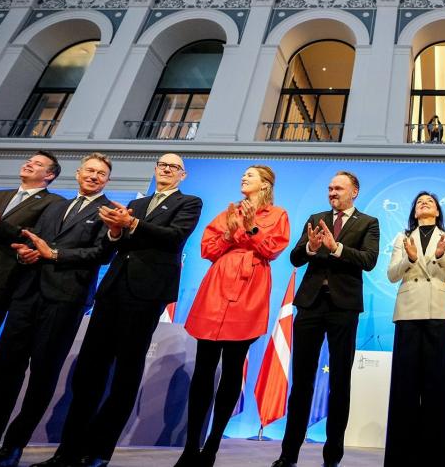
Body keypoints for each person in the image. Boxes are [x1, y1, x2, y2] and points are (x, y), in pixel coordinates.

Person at [33, 153, 202, 467]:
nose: (166, 170)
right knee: (88, 375)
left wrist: (132, 224)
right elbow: (109, 250)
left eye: (173, 167)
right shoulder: (134, 204)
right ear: (155, 170)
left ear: (183, 175)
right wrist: (114, 231)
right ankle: (67, 452)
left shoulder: (188, 203)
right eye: (162, 165)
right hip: (111, 292)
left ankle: (98, 452)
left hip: (146, 296)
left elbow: (174, 237)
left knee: (125, 375)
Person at [0, 153, 116, 467]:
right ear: (77, 174)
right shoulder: (55, 205)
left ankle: (13, 448)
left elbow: (101, 254)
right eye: (89, 170)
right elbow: (32, 242)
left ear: (107, 180)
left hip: (65, 300)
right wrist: (26, 254)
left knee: (41, 377)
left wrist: (54, 254)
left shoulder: (108, 211)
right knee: (2, 372)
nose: (94, 176)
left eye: (101, 173)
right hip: (26, 295)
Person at [176, 165, 290, 467]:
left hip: (249, 289)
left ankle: (212, 446)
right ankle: (190, 447)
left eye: (250, 175)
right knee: (203, 369)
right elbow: (207, 248)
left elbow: (272, 250)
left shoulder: (278, 215)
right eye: (243, 174)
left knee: (232, 369)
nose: (244, 178)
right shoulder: (229, 210)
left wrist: (251, 228)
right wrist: (229, 233)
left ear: (265, 184)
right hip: (217, 285)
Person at [272, 171, 379, 467]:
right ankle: (287, 455)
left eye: (338, 188)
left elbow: (369, 260)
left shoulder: (368, 222)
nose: (332, 192)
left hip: (343, 308)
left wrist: (337, 249)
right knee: (301, 382)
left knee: (340, 382)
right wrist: (311, 248)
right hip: (310, 305)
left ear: (353, 192)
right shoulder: (316, 217)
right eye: (330, 188)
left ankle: (332, 457)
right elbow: (295, 258)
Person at [0, 151, 63, 417]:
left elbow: (35, 240)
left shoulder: (52, 204)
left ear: (49, 175)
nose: (29, 163)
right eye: (29, 160)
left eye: (38, 164)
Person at [384, 191, 445, 467]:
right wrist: (410, 259)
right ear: (414, 212)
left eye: (429, 202)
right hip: (407, 313)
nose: (424, 204)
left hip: (439, 312)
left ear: (438, 211)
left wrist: (440, 256)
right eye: (419, 202)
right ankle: (399, 458)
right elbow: (392, 275)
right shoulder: (401, 239)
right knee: (404, 388)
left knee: (436, 388)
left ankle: (434, 459)